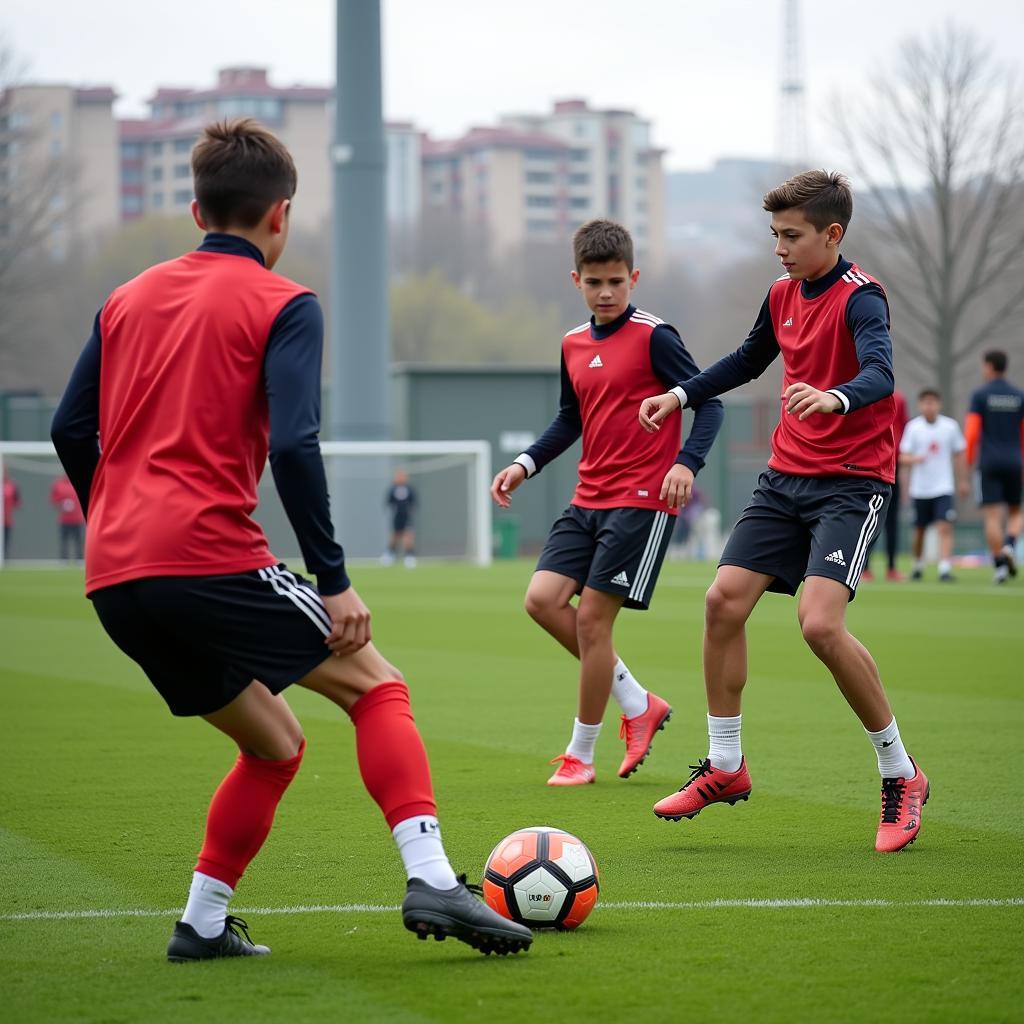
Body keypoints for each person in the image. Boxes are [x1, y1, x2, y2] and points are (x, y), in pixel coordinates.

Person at [50, 119, 531, 963]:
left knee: (274, 744)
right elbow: (295, 444)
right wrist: (334, 578)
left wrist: (116, 518)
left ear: (197, 209)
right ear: (281, 216)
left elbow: (68, 426)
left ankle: (200, 925)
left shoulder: (124, 299)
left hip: (114, 576)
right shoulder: (286, 302)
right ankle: (433, 879)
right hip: (205, 554)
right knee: (378, 687)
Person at [639, 170, 929, 854]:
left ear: (833, 234)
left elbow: (882, 375)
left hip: (852, 484)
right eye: (774, 235)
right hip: (785, 479)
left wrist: (836, 398)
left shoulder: (864, 299)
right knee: (721, 603)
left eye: (792, 236)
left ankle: (901, 773)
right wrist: (679, 397)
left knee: (819, 625)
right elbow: (747, 360)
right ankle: (726, 766)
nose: (780, 248)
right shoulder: (780, 294)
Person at [490, 219, 724, 787]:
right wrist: (525, 464)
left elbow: (709, 404)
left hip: (642, 502)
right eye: (594, 282)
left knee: (593, 622)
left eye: (617, 281)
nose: (606, 292)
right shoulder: (572, 343)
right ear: (576, 280)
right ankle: (638, 702)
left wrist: (683, 464)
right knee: (542, 600)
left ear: (634, 278)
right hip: (587, 496)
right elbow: (570, 418)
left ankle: (581, 755)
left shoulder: (655, 337)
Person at [965, 350, 1024, 585]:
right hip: (1014, 461)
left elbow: (971, 432)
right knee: (1015, 511)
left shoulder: (980, 395)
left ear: (989, 366)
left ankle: (999, 566)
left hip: (989, 462)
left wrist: (969, 461)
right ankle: (1010, 545)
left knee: (991, 515)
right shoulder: (1018, 395)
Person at [900, 389, 968, 582]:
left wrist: (963, 480)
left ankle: (944, 568)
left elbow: (960, 453)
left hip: (943, 487)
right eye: (926, 402)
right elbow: (902, 457)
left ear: (939, 404)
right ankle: (918, 565)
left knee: (944, 527)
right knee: (920, 530)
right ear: (920, 405)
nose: (929, 406)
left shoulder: (950, 427)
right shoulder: (913, 427)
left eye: (933, 402)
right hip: (920, 488)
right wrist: (915, 459)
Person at [862, 387, 908, 582]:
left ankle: (890, 567)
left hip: (887, 463)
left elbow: (903, 431)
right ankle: (865, 568)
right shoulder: (863, 393)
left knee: (886, 519)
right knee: (870, 519)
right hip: (869, 462)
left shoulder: (897, 398)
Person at [382, 468, 417, 568]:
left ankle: (409, 557)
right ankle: (389, 554)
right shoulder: (393, 489)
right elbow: (388, 502)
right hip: (397, 516)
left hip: (407, 516)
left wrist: (410, 511)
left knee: (408, 536)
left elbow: (414, 503)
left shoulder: (410, 489)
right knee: (395, 536)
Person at [50, 473, 85, 561]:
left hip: (78, 519)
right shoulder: (57, 484)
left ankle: (80, 559)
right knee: (64, 541)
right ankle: (64, 560)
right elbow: (53, 500)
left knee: (79, 541)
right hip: (64, 520)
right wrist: (61, 505)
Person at [2, 471, 20, 556]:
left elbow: (17, 502)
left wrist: (9, 509)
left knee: (6, 542)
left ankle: (5, 560)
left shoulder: (12, 485)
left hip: (7, 520)